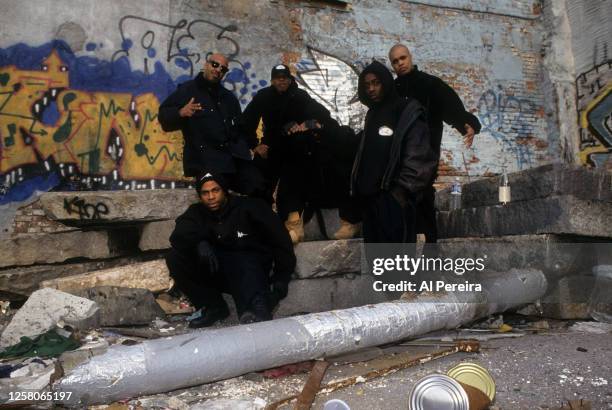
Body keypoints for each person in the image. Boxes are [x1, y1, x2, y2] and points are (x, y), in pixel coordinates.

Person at [240, 64, 360, 243]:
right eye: (278, 77)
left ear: (290, 79)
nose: (282, 80)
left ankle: (295, 222)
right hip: (273, 146)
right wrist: (255, 145)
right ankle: (260, 225)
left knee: (303, 170)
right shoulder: (264, 96)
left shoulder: (300, 96)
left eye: (285, 77)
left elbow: (323, 115)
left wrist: (307, 123)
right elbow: (246, 122)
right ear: (272, 80)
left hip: (298, 147)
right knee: (257, 179)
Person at [165, 171, 296, 328]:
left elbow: (281, 241)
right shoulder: (196, 212)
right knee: (175, 257)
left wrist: (281, 278)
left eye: (215, 190)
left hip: (250, 272)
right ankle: (213, 307)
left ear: (224, 190)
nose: (211, 197)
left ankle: (255, 310)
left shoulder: (251, 207)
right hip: (218, 271)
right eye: (205, 193)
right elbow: (177, 236)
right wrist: (200, 242)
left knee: (244, 259)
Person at [389, 44, 482, 243]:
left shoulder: (430, 84)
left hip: (425, 155)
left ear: (410, 57)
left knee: (423, 198)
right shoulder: (392, 91)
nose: (400, 63)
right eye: (395, 61)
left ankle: (430, 253)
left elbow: (451, 106)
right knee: (401, 202)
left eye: (403, 58)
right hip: (398, 158)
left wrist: (466, 124)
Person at [351, 60, 437, 243]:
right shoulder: (371, 115)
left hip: (394, 203)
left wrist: (400, 194)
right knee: (378, 266)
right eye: (366, 85)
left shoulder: (406, 109)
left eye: (376, 83)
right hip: (370, 203)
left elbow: (420, 156)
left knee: (397, 267)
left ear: (386, 83)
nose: (371, 89)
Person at [158, 53, 264, 196]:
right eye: (215, 64)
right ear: (206, 65)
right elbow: (164, 116)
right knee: (217, 196)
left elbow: (241, 128)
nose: (218, 69)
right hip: (205, 161)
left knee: (259, 186)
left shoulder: (228, 97)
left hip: (233, 159)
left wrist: (254, 145)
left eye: (223, 69)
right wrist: (180, 112)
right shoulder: (188, 90)